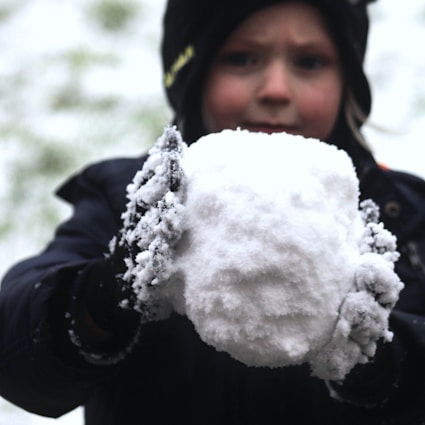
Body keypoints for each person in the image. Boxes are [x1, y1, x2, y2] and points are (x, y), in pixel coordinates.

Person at [1, 0, 425, 424]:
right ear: (193, 74)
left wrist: (382, 361)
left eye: (309, 62)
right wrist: (104, 298)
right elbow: (15, 346)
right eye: (241, 59)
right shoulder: (132, 202)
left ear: (347, 81)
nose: (276, 88)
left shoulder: (402, 217)